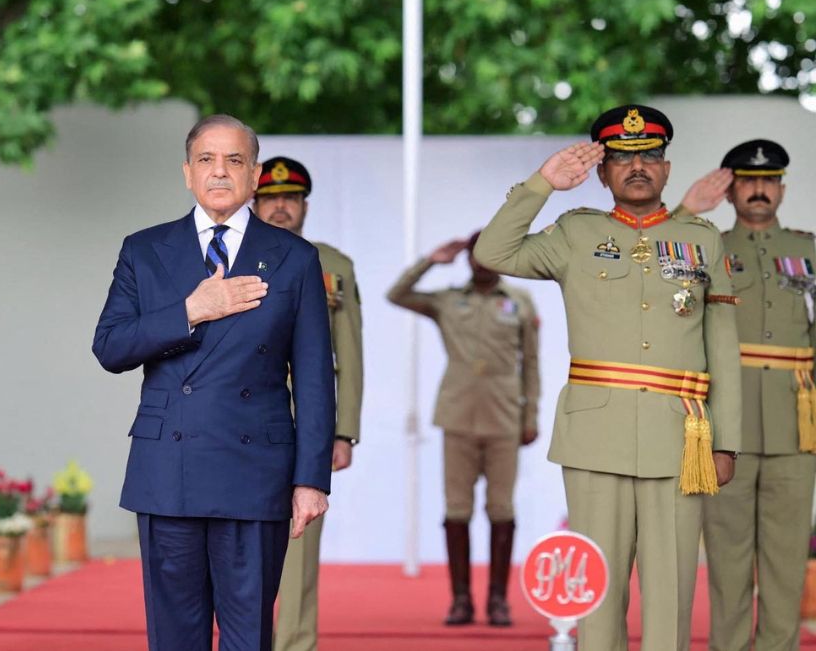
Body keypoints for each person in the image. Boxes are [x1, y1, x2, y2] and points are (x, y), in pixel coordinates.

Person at [472, 104, 741, 651]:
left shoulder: (703, 240)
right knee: (597, 591)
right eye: (621, 159)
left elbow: (723, 349)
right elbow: (492, 250)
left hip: (680, 437)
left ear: (666, 168)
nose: (636, 167)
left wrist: (727, 440)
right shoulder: (575, 232)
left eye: (649, 158)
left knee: (671, 591)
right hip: (596, 438)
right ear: (602, 173)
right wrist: (542, 184)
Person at [92, 115, 335, 651]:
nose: (219, 172)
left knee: (249, 636)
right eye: (206, 160)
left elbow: (315, 377)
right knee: (174, 636)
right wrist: (190, 310)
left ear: (253, 177)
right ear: (187, 173)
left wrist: (311, 479)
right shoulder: (144, 249)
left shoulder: (295, 258)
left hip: (255, 474)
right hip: (166, 469)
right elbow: (110, 348)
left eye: (234, 161)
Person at [678, 139, 816, 651]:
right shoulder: (704, 246)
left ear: (781, 188)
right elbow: (655, 280)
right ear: (731, 189)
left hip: (794, 423)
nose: (759, 190)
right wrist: (685, 212)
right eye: (748, 181)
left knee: (785, 560)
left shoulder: (809, 251)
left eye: (768, 180)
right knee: (727, 557)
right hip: (723, 426)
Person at [387, 230, 539, 627]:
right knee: (457, 509)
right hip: (458, 417)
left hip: (505, 417)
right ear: (468, 259)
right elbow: (396, 294)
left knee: (502, 509)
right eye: (476, 254)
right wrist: (430, 261)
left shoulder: (520, 302)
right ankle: (460, 600)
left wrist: (531, 416)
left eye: (490, 253)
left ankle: (498, 601)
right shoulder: (448, 300)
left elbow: (533, 366)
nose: (483, 261)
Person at [254, 156, 363, 651]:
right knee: (236, 549)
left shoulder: (332, 266)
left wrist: (343, 431)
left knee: (298, 546)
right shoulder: (230, 259)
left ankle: (294, 644)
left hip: (306, 426)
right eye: (271, 198)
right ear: (254, 203)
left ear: (305, 206)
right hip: (243, 420)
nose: (281, 208)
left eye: (290, 199)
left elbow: (350, 352)